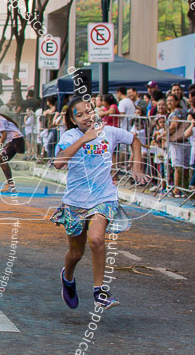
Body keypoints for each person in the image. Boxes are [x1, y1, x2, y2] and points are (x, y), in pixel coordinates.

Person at [51, 100, 146, 311]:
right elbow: (58, 163)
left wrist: (136, 166)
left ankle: (99, 291)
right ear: (73, 120)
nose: (86, 117)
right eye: (80, 115)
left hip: (104, 197)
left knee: (96, 238)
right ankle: (67, 277)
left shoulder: (110, 132)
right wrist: (85, 139)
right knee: (76, 253)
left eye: (89, 112)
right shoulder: (70, 136)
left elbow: (135, 141)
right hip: (75, 202)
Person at [0, 107, 25, 192]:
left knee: (2, 160)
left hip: (16, 140)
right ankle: (10, 184)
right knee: (2, 160)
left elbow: (4, 135)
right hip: (14, 140)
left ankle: (11, 185)